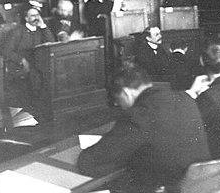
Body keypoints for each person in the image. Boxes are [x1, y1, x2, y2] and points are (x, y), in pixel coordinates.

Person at [77, 66, 210, 189]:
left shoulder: (138, 115)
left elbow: (90, 162)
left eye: (118, 101)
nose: (120, 106)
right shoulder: (184, 98)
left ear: (126, 93)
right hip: (200, 185)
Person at [0, 7, 55, 106]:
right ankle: (37, 105)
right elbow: (6, 50)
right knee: (36, 76)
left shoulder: (41, 30)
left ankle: (46, 104)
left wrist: (43, 26)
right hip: (20, 63)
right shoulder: (17, 32)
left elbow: (52, 43)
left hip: (38, 62)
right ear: (26, 18)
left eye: (38, 15)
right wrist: (21, 60)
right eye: (33, 16)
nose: (36, 18)